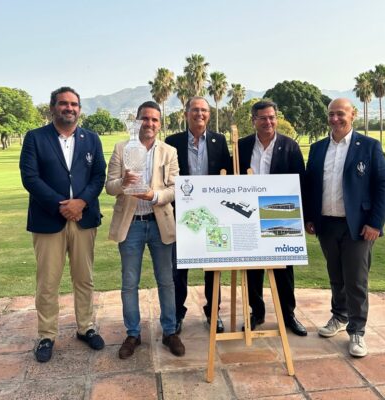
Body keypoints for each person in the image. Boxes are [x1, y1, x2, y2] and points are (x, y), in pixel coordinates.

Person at [20, 87, 106, 363]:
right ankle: (46, 335)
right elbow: (30, 178)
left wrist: (80, 203)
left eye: (74, 104)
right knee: (48, 282)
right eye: (63, 104)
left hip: (84, 218)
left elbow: (98, 175)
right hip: (48, 220)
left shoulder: (91, 139)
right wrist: (63, 205)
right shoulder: (35, 138)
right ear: (53, 107)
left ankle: (86, 327)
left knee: (84, 278)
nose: (69, 108)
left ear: (79, 109)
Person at [304, 98, 385, 357]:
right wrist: (310, 217)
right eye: (331, 114)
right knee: (336, 276)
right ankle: (339, 317)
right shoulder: (318, 148)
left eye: (340, 114)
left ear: (352, 115)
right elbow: (311, 186)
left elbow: (383, 186)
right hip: (327, 224)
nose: (335, 119)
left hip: (358, 226)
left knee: (356, 279)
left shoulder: (370, 147)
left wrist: (375, 223)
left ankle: (357, 331)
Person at [106, 101, 185, 359]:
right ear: (137, 121)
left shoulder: (169, 152)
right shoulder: (121, 149)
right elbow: (109, 187)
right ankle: (133, 333)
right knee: (130, 282)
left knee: (166, 280)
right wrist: (123, 182)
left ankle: (170, 332)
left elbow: (175, 189)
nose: (149, 123)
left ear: (160, 124)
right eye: (145, 119)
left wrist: (154, 195)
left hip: (159, 221)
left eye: (154, 119)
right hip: (131, 226)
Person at [238, 100, 307, 336]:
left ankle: (288, 314)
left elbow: (301, 184)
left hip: (281, 214)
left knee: (283, 269)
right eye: (263, 118)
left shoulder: (290, 146)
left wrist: (302, 218)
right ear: (253, 120)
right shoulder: (242, 146)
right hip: (248, 216)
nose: (268, 122)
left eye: (272, 117)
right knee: (253, 269)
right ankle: (256, 312)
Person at [165, 96, 232, 334]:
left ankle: (213, 313)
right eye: (195, 110)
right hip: (181, 216)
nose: (199, 114)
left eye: (204, 110)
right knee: (179, 268)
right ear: (186, 114)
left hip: (212, 216)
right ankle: (177, 314)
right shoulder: (172, 142)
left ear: (209, 114)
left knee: (213, 267)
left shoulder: (219, 140)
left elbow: (228, 175)